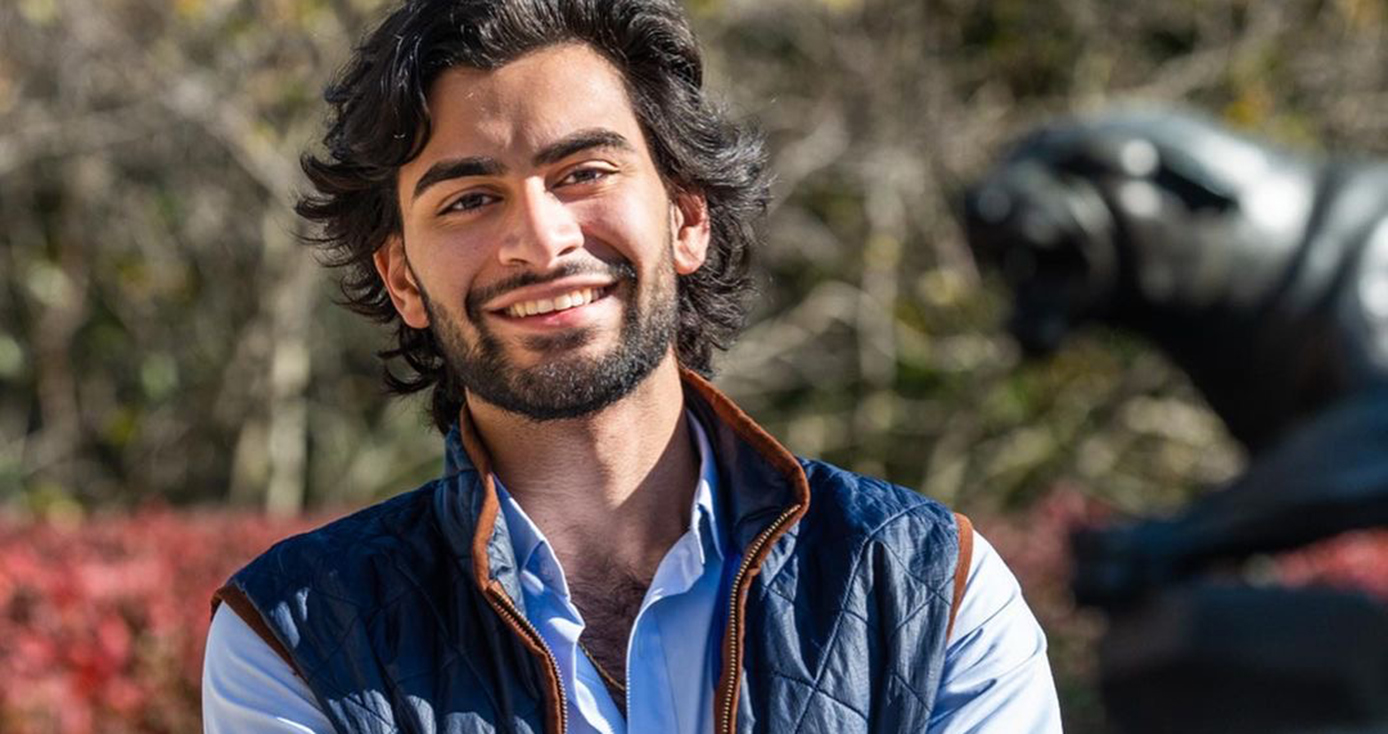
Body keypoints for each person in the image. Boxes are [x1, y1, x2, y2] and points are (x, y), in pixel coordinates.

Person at [201, 1, 1062, 732]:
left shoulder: (929, 592)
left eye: (584, 171)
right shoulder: (293, 639)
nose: (540, 241)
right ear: (402, 280)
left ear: (688, 216)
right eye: (469, 199)